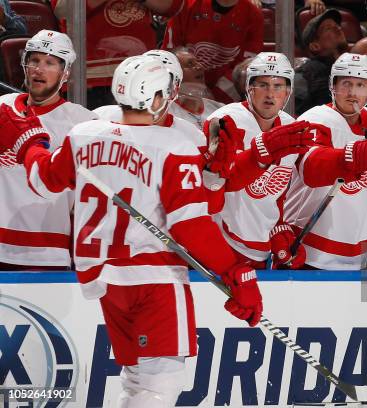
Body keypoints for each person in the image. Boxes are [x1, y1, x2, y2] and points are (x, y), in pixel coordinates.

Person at [0, 55, 262, 407]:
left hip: (104, 278)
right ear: (154, 97)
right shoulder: (175, 145)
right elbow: (191, 225)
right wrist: (236, 272)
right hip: (154, 278)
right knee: (161, 384)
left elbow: (43, 180)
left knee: (138, 381)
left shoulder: (84, 134)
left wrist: (31, 145)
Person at [284, 53, 367, 270]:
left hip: (355, 251)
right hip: (306, 244)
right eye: (346, 83)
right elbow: (310, 169)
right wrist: (354, 155)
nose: (352, 92)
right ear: (333, 86)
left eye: (360, 85)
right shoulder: (316, 117)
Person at [203, 52, 313, 269]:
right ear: (249, 88)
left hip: (261, 250)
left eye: (278, 86)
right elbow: (210, 191)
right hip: (220, 244)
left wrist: (278, 227)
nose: (270, 93)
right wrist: (259, 155)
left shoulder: (291, 128)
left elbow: (277, 190)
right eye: (262, 84)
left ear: (289, 91)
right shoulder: (221, 122)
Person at [0, 30, 97, 270]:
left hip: (46, 251)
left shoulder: (84, 123)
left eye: (49, 62)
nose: (38, 69)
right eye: (34, 60)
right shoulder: (3, 108)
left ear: (65, 73)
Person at [51, 0, 185, 109]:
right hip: (91, 78)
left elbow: (173, 6)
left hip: (141, 75)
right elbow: (63, 10)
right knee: (93, 134)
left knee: (140, 137)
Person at [163, 0, 264, 104]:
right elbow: (170, 56)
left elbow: (244, 67)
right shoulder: (185, 5)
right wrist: (183, 93)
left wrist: (216, 100)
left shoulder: (253, 15)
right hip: (180, 95)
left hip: (223, 99)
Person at [294, 8, 349, 115]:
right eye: (328, 28)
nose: (338, 28)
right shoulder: (310, 72)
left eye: (337, 25)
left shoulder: (355, 67)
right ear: (315, 46)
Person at [169, 47, 225, 130]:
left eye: (198, 62)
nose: (200, 67)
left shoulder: (221, 109)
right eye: (190, 64)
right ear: (174, 75)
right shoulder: (166, 115)